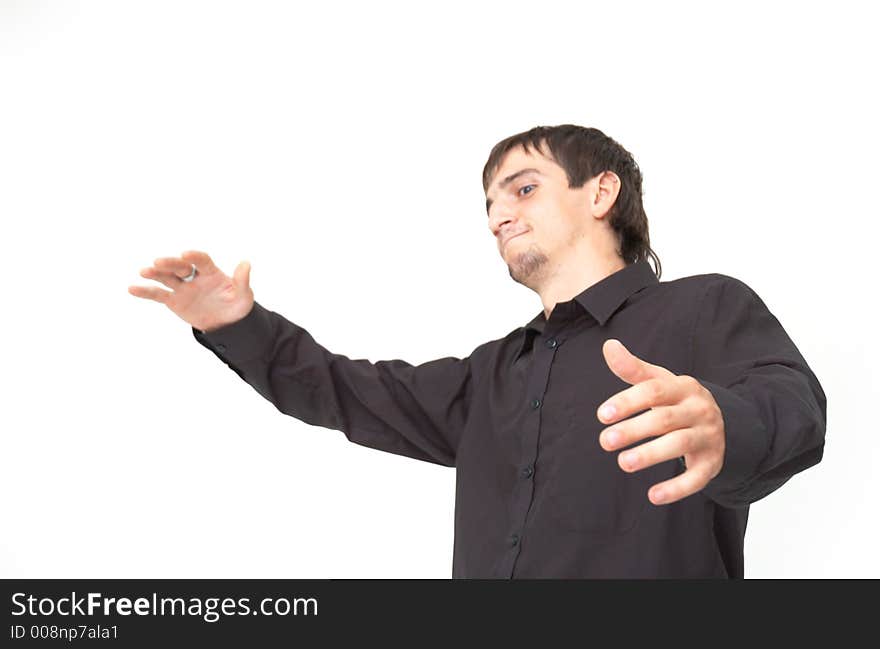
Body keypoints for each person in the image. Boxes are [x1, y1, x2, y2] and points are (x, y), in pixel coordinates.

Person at [128, 124, 827, 578]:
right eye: (489, 205)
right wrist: (237, 324)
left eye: (523, 189)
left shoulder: (705, 307)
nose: (499, 216)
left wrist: (724, 423)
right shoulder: (493, 373)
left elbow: (794, 403)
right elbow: (344, 389)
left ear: (601, 193)